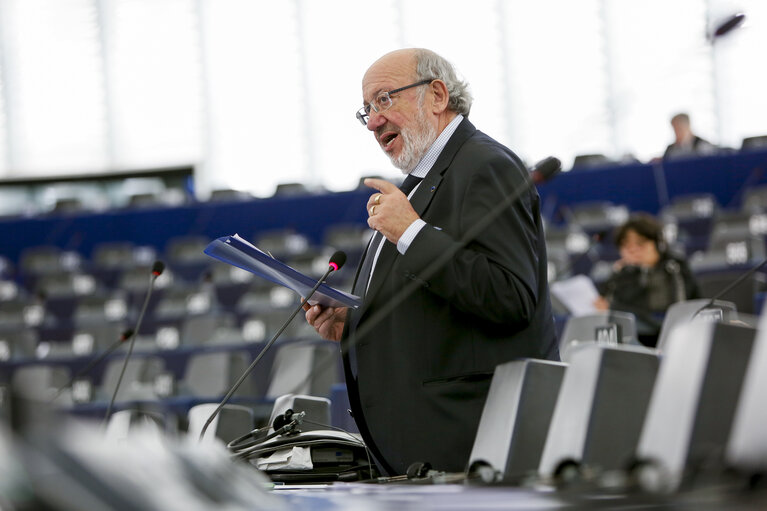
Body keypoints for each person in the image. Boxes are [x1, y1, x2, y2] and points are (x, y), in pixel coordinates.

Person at [305, 48, 558, 476]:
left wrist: (411, 232)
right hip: (425, 457)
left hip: (473, 449)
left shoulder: (485, 165)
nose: (372, 121)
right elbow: (434, 308)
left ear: (437, 95)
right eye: (366, 109)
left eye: (385, 100)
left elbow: (509, 297)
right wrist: (355, 324)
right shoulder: (417, 185)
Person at [593, 213, 700, 346]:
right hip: (631, 340)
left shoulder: (674, 267)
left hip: (668, 338)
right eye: (626, 245)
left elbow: (666, 311)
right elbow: (604, 300)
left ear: (658, 244)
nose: (632, 250)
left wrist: (612, 307)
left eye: (640, 243)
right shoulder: (622, 272)